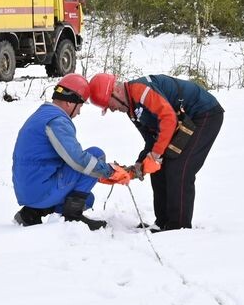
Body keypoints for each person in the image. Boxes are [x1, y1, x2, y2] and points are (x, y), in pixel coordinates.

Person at [88, 73, 224, 232]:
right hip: (182, 120)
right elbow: (152, 139)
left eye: (108, 105)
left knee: (179, 168)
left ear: (116, 91)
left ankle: (178, 228)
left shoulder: (141, 91)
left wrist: (155, 155)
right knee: (158, 167)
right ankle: (162, 222)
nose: (111, 109)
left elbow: (168, 119)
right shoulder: (132, 110)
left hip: (204, 114)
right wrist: (139, 165)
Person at [12, 74, 132, 230]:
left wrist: (100, 173)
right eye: (80, 106)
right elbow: (77, 160)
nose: (79, 112)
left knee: (87, 199)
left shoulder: (42, 115)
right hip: (39, 190)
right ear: (69, 102)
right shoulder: (57, 121)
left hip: (29, 188)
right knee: (96, 154)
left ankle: (31, 213)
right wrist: (109, 171)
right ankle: (72, 218)